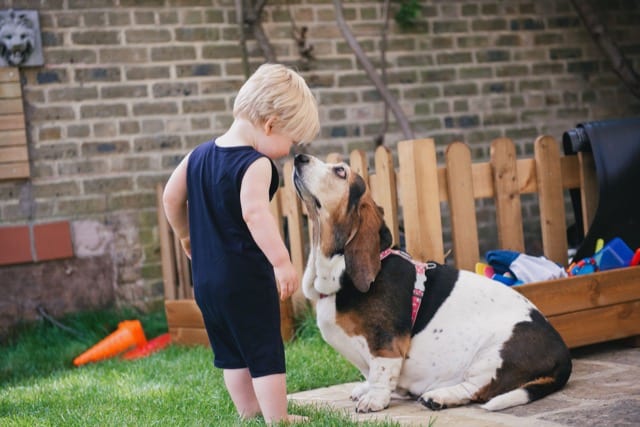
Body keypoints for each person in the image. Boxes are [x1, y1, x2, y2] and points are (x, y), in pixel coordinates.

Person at [162, 63, 320, 424]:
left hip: (206, 281)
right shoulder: (256, 163)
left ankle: (247, 412)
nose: (287, 150)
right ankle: (277, 419)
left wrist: (185, 235)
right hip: (245, 278)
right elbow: (255, 215)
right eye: (290, 140)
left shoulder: (197, 155)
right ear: (270, 124)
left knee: (231, 351)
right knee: (264, 349)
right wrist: (281, 262)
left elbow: (171, 198)